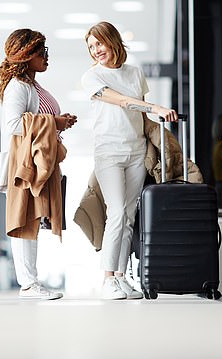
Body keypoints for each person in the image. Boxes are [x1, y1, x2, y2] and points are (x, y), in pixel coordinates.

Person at [81, 21, 177, 300]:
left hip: (135, 150)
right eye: (91, 46)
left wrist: (157, 119)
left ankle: (122, 277)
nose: (96, 50)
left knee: (130, 215)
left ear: (112, 41)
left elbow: (141, 116)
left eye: (99, 43)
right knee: (117, 212)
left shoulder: (135, 73)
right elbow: (122, 101)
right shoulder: (92, 77)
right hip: (108, 152)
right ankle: (107, 278)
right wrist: (155, 106)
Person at [0, 28, 77, 300]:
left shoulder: (32, 85)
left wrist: (59, 121)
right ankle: (28, 284)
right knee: (23, 220)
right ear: (26, 55)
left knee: (33, 218)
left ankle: (31, 282)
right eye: (41, 52)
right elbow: (13, 124)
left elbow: (36, 119)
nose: (46, 57)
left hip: (37, 163)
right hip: (24, 165)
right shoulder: (18, 87)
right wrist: (54, 122)